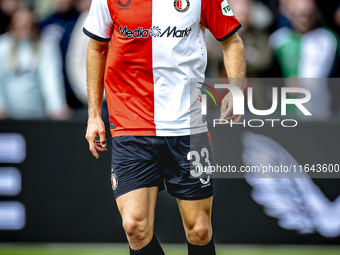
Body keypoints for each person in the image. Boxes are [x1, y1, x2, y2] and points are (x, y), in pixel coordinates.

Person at [84, 0, 245, 254]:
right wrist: (94, 115)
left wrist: (235, 88)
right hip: (130, 124)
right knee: (134, 227)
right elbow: (96, 48)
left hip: (187, 125)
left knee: (199, 230)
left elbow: (231, 41)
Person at [270, 0, 338, 120]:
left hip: (321, 110)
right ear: (288, 12)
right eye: (299, 14)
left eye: (308, 14)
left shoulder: (328, 39)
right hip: (285, 112)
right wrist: (282, 84)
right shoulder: (278, 39)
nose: (304, 19)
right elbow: (267, 75)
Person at [0, 7, 69, 120]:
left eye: (28, 24)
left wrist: (56, 107)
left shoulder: (46, 46)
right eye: (20, 23)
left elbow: (51, 78)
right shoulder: (3, 45)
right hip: (7, 116)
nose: (24, 27)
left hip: (38, 115)